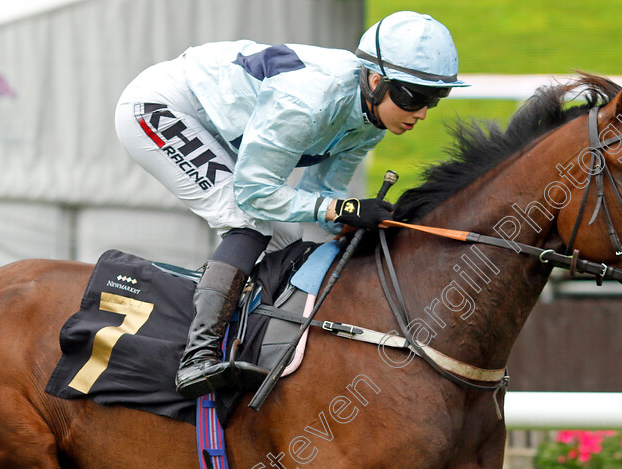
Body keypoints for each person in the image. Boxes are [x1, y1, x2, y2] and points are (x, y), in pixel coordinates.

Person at [113, 11, 467, 399]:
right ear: (377, 80)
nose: (421, 112)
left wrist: (361, 219)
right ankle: (197, 355)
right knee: (249, 219)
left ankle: (243, 336)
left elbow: (321, 192)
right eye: (413, 96)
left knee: (287, 235)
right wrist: (344, 210)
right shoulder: (309, 101)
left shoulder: (370, 118)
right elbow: (255, 192)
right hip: (160, 107)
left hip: (214, 126)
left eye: (434, 99)